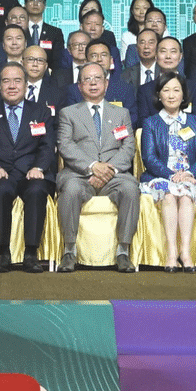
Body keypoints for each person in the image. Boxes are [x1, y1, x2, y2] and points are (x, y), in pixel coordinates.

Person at [56, 62, 140, 273]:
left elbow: (128, 146)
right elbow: (66, 145)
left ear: (106, 83)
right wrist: (92, 167)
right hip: (79, 174)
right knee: (71, 189)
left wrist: (107, 171)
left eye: (97, 79)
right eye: (87, 79)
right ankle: (69, 250)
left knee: (130, 188)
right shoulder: (68, 113)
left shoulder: (121, 113)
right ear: (79, 85)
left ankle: (123, 251)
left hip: (114, 175)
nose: (93, 83)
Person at [0, 63, 56, 274]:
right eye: (6, 81)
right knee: (1, 190)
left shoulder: (41, 111)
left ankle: (31, 253)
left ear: (26, 84)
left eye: (17, 80)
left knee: (37, 190)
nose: (12, 86)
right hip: (1, 173)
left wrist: (39, 167)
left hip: (31, 172)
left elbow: (47, 146)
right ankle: (3, 253)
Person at [143, 73, 196, 272]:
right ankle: (172, 253)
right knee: (169, 195)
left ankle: (186, 252)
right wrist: (170, 175)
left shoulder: (195, 122)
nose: (171, 95)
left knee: (186, 195)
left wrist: (189, 173)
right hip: (161, 176)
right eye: (166, 90)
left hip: (190, 176)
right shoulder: (150, 123)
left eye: (176, 90)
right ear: (159, 95)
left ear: (183, 95)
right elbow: (149, 158)